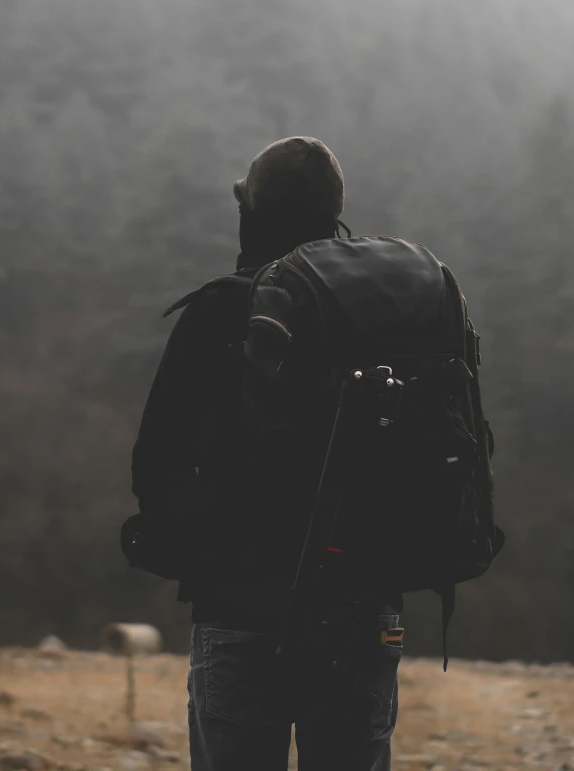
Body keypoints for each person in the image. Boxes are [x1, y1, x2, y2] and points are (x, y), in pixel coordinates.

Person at [122, 136, 407, 771]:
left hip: (240, 609)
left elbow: (156, 460)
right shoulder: (387, 320)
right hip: (364, 609)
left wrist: (193, 544)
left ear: (253, 213)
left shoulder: (223, 310)